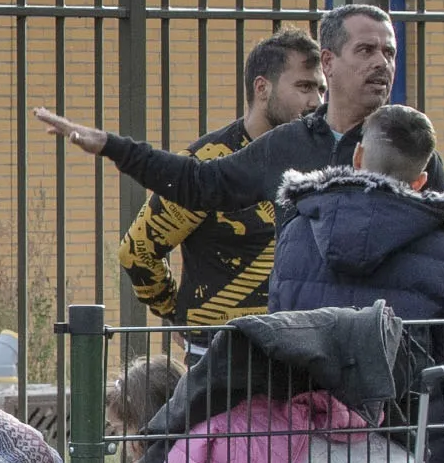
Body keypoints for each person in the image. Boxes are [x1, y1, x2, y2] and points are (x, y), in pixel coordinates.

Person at [34, 3, 444, 218]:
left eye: (389, 52)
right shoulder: (288, 144)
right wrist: (111, 145)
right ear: (328, 61)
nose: (382, 63)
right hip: (307, 351)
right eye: (366, 50)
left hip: (387, 348)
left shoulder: (407, 146)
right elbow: (198, 184)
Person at [115, 30, 325, 331]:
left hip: (301, 344)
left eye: (321, 89)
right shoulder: (209, 162)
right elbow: (137, 252)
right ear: (262, 88)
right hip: (220, 356)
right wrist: (179, 317)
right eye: (304, 87)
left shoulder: (319, 156)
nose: (317, 101)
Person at [261, 104, 444, 340]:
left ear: (358, 156)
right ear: (420, 181)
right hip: (399, 377)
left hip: (306, 376)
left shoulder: (297, 230)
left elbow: (276, 327)